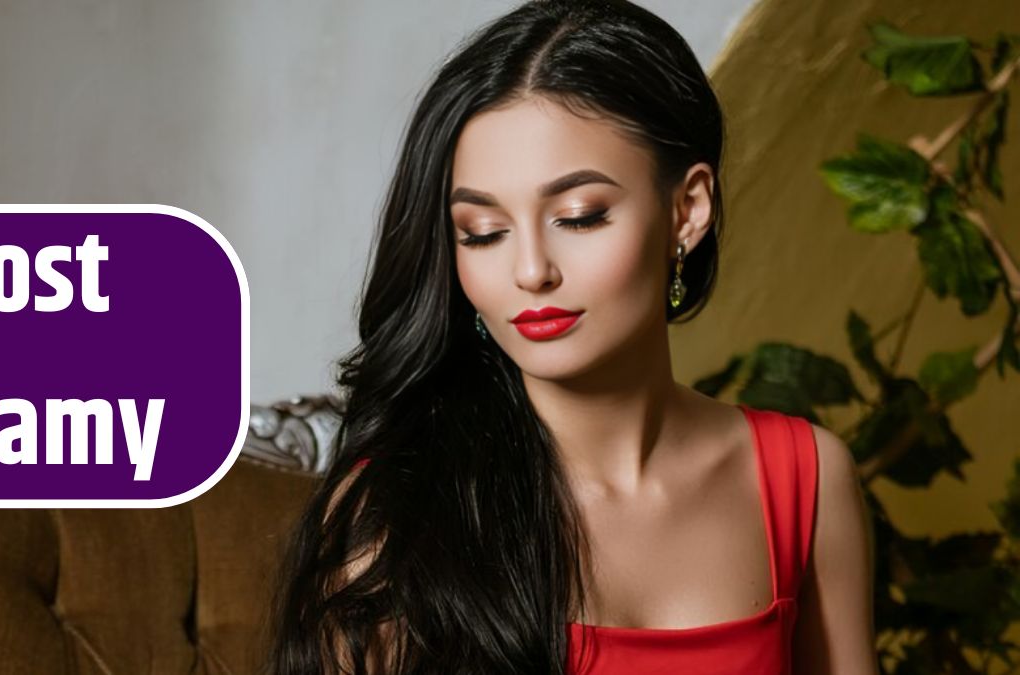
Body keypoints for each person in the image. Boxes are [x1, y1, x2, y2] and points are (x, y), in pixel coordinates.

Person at [265, 0, 878, 673]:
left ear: (687, 211)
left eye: (579, 217)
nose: (530, 270)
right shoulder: (396, 517)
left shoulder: (806, 480)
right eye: (484, 232)